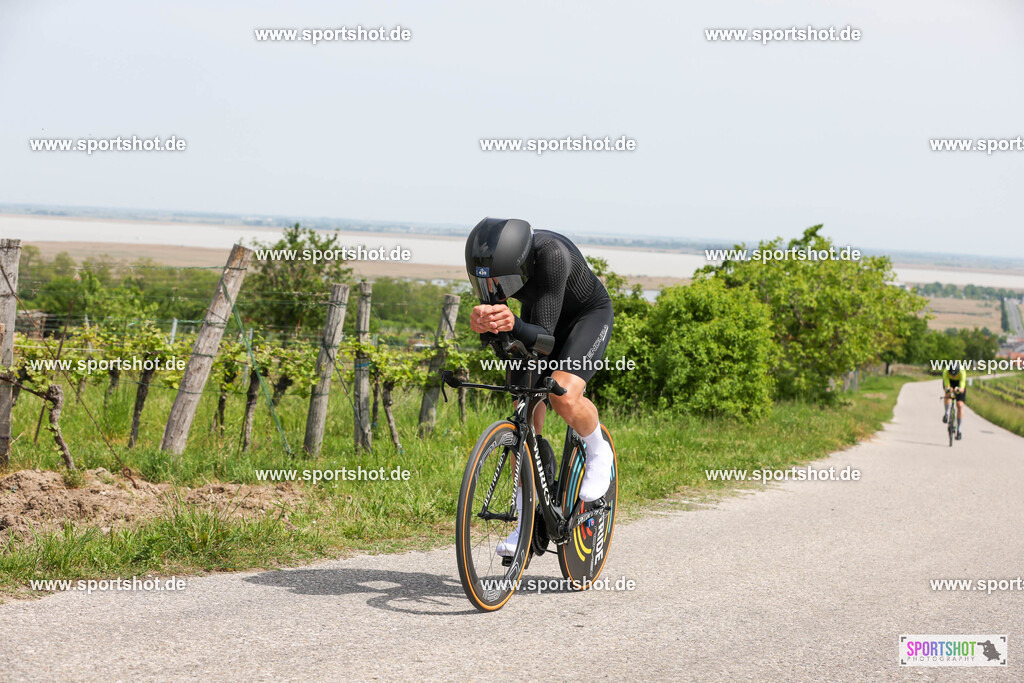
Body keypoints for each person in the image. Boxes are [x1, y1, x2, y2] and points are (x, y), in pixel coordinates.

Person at [465, 217, 615, 556]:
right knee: (525, 411)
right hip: (539, 318)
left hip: (584, 318)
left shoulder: (552, 255)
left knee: (560, 393)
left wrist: (513, 323)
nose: (498, 288)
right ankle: (528, 522)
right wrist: (486, 329)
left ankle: (597, 449)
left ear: (521, 262)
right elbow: (505, 344)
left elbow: (545, 342)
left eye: (505, 280)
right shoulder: (492, 268)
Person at [942, 360, 967, 440]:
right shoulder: (946, 371)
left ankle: (959, 430)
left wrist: (958, 390)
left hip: (959, 383)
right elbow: (946, 385)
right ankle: (946, 414)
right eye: (951, 374)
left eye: (954, 374)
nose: (953, 375)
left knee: (959, 405)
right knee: (947, 394)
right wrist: (949, 389)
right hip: (950, 383)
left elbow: (962, 388)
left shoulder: (962, 371)